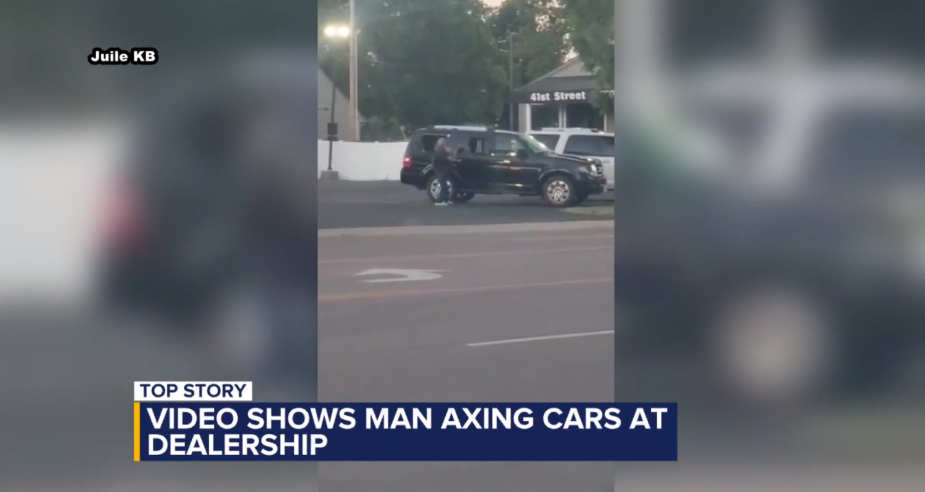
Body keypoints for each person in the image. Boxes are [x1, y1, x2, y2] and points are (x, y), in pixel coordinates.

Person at [432, 137, 454, 205]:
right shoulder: (438, 151)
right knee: (443, 186)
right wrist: (448, 158)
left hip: (444, 170)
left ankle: (446, 200)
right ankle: (439, 201)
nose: (445, 143)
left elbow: (449, 154)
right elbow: (439, 160)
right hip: (441, 171)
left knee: (445, 186)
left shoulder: (442, 150)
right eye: (444, 142)